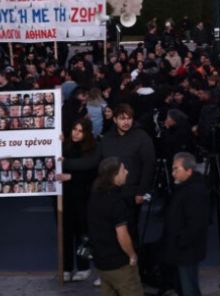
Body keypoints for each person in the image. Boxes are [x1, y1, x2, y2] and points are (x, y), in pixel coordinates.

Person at [97, 104, 156, 240]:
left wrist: (141, 191)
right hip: (110, 193)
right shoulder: (107, 139)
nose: (126, 122)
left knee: (130, 229)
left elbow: (149, 165)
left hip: (132, 193)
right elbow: (99, 164)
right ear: (115, 120)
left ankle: (133, 259)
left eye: (129, 118)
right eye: (122, 118)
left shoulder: (142, 137)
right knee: (111, 230)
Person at [87, 157, 143, 296]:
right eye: (123, 170)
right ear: (114, 175)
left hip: (102, 263)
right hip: (119, 264)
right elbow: (122, 235)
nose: (127, 172)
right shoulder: (116, 202)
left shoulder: (95, 195)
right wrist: (132, 255)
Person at [160, 152, 210, 296]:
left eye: (176, 169)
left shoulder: (194, 191)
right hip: (183, 249)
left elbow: (195, 224)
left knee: (188, 286)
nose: (172, 173)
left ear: (189, 171)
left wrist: (179, 242)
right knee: (188, 284)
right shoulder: (185, 187)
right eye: (172, 169)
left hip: (186, 250)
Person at [58, 118, 100, 282]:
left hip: (83, 197)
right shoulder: (65, 145)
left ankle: (84, 267)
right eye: (74, 129)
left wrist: (72, 176)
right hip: (65, 195)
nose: (76, 133)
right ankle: (67, 267)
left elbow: (91, 171)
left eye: (80, 130)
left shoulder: (92, 149)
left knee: (82, 233)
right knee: (65, 232)